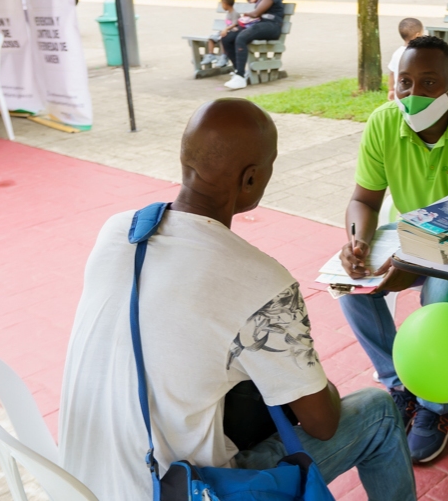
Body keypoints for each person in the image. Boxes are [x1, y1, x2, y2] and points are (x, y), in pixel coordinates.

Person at [59, 99, 416, 501]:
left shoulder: (119, 230)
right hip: (175, 491)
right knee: (378, 411)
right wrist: (305, 370)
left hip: (78, 484)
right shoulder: (260, 282)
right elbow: (323, 423)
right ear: (250, 180)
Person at [337, 35, 448, 463]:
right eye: (405, 83)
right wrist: (357, 240)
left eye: (429, 83)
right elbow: (363, 200)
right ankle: (401, 384)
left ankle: (437, 406)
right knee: (351, 287)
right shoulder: (384, 123)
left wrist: (415, 262)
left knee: (434, 297)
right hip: (410, 241)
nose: (414, 94)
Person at [223, 0, 285, 91]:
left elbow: (256, 13)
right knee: (228, 38)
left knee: (242, 36)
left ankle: (240, 78)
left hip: (271, 27)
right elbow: (264, 4)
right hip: (263, 25)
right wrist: (255, 0)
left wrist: (246, 14)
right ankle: (239, 71)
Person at [387, 18, 424, 101]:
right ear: (417, 35)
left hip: (399, 93)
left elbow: (392, 73)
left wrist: (391, 90)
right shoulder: (419, 54)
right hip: (414, 94)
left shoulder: (397, 53)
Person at [204, 0, 241, 67]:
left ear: (225, 3)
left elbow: (235, 23)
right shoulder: (228, 13)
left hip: (231, 33)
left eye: (222, 3)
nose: (221, 5)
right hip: (225, 31)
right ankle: (211, 55)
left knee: (223, 38)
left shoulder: (235, 13)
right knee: (211, 38)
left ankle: (224, 56)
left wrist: (226, 29)